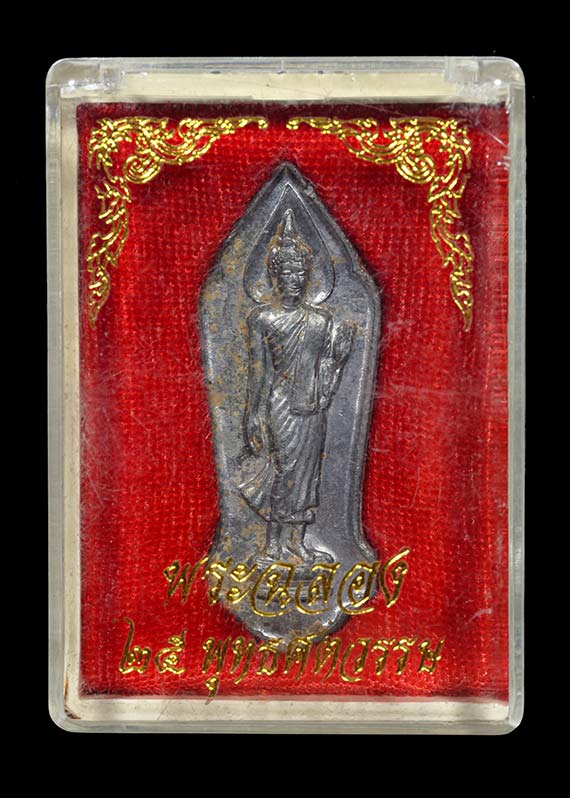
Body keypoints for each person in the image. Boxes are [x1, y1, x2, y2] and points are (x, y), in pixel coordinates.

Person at [240, 209, 353, 562]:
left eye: (301, 272)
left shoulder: (320, 321)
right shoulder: (262, 319)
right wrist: (253, 415)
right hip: (281, 405)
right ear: (274, 275)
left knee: (307, 475)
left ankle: (296, 543)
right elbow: (259, 372)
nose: (295, 279)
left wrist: (337, 357)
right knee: (284, 470)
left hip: (312, 406)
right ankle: (273, 544)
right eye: (287, 272)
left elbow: (326, 370)